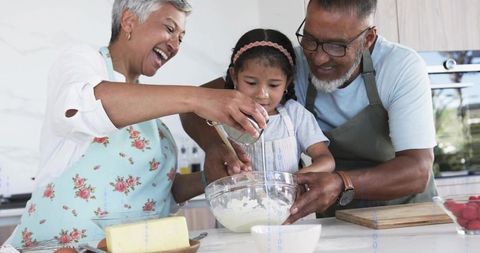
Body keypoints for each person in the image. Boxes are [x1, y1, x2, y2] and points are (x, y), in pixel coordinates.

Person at [7, 0, 267, 248]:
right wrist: (198, 98)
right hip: (58, 248)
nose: (175, 45)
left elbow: (156, 193)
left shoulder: (151, 114)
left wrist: (208, 177)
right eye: (169, 28)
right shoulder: (82, 62)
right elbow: (83, 106)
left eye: (181, 37)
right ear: (129, 21)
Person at [181, 0, 437, 223]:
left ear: (368, 39)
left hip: (404, 216)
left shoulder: (400, 67)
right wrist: (216, 148)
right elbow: (192, 106)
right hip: (335, 218)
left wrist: (340, 182)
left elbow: (417, 170)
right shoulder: (289, 68)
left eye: (337, 46)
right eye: (311, 39)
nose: (318, 58)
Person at [221, 28, 334, 174]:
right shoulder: (223, 115)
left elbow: (326, 161)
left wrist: (296, 180)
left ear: (287, 82)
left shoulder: (295, 114)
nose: (262, 94)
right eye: (251, 83)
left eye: (273, 85)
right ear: (234, 76)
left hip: (291, 196)